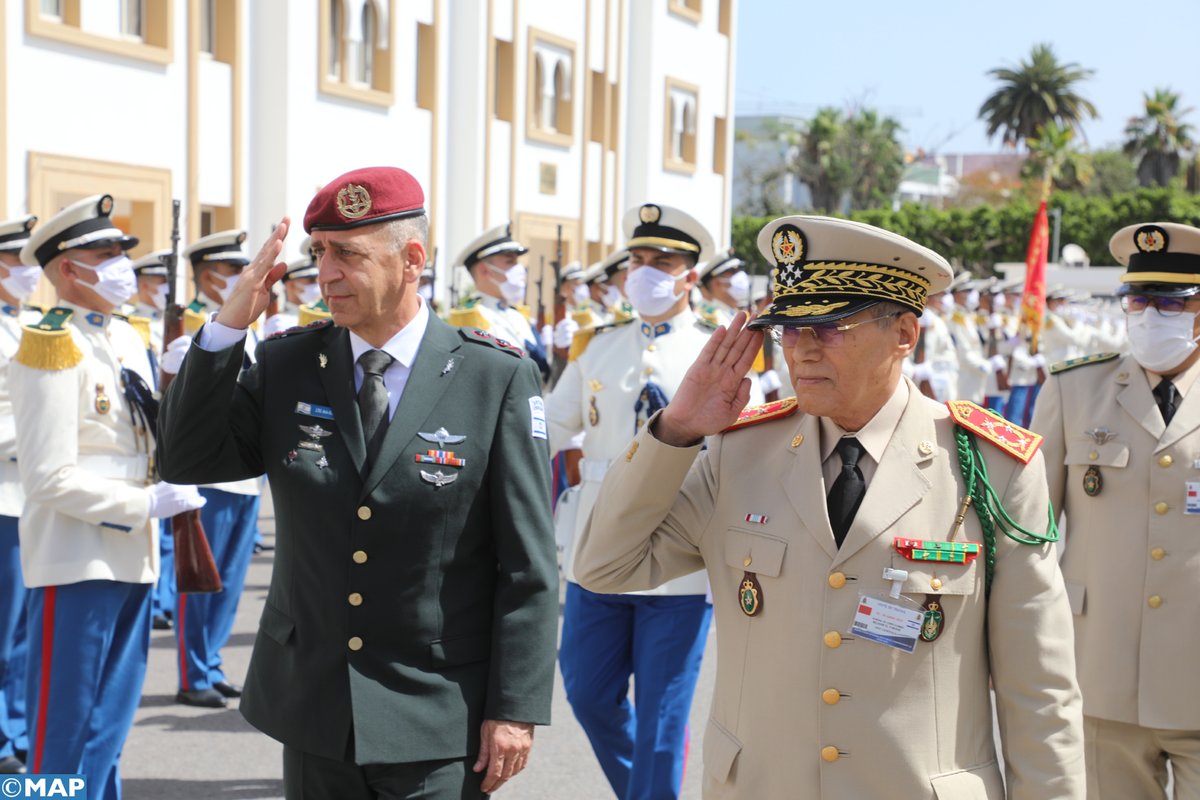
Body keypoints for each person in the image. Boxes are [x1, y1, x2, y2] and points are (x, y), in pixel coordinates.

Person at [574, 214, 1086, 798]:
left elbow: (1039, 693)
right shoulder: (736, 454)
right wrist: (676, 430)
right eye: (789, 329)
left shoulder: (989, 468)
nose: (803, 350)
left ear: (904, 334)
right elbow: (603, 564)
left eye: (830, 327)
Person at [156, 166, 558, 798]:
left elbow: (527, 565)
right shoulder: (289, 363)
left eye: (347, 254)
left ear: (412, 260)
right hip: (314, 704)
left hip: (436, 710)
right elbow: (186, 458)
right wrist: (229, 327)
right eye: (319, 253)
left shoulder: (493, 378)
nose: (326, 272)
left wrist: (515, 708)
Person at [548, 203, 748, 800]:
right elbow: (549, 426)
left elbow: (751, 454)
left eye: (662, 261)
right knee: (587, 693)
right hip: (597, 550)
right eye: (637, 259)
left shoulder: (728, 349)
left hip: (680, 560)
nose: (645, 272)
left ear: (691, 275)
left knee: (663, 721)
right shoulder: (597, 345)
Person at [11, 195, 206, 799]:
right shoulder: (50, 343)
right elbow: (47, 477)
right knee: (64, 729)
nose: (123, 264)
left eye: (124, 251)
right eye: (106, 254)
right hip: (77, 556)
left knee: (109, 723)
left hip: (135, 556)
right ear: (70, 269)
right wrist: (142, 506)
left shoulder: (126, 338)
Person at [1031, 221, 1200, 799]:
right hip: (1100, 674)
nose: (1151, 316)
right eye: (1139, 299)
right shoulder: (1075, 391)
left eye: (1172, 302)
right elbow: (1026, 530)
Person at [166, 229, 264, 708]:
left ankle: (212, 663)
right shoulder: (191, 337)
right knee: (201, 580)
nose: (245, 277)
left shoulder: (253, 330)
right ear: (209, 277)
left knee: (229, 582)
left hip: (245, 480)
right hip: (209, 479)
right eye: (233, 271)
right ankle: (192, 673)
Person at [0, 215, 39, 775]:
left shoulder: (35, 327)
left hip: (38, 497)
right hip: (5, 494)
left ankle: (20, 725)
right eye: (18, 263)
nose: (29, 274)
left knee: (29, 628)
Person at [448, 222, 550, 380]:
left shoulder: (519, 316)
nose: (520, 269)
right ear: (484, 270)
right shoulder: (470, 318)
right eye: (510, 262)